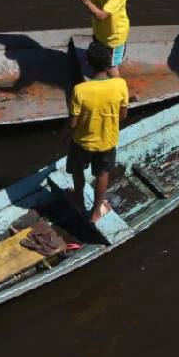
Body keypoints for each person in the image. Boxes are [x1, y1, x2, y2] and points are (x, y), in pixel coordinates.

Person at [65, 41, 129, 224]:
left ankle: (78, 199)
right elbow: (123, 115)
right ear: (109, 62)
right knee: (102, 174)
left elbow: (73, 121)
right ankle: (95, 213)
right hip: (106, 142)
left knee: (78, 170)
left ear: (88, 63)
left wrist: (65, 134)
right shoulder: (120, 85)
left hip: (82, 142)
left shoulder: (80, 90)